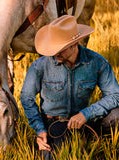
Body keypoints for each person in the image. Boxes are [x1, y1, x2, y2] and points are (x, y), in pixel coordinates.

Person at [21, 15, 119, 159]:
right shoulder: (39, 66)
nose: (56, 53)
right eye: (53, 48)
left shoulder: (97, 63)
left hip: (86, 121)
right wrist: (40, 130)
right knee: (51, 155)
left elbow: (115, 95)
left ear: (75, 43)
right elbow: (26, 98)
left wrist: (86, 114)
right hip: (54, 125)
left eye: (61, 48)